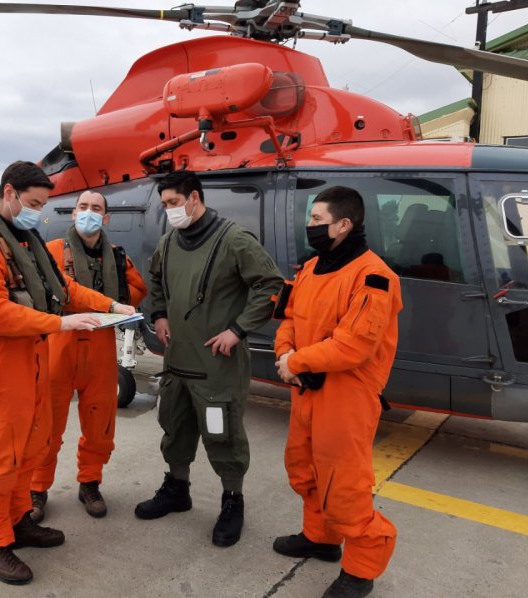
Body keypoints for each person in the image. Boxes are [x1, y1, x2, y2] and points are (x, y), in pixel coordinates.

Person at [0, 161, 135, 585]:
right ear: (10, 193)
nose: (38, 210)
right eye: (33, 202)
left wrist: (109, 305)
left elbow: (64, 290)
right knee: (2, 450)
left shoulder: (24, 238)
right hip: (3, 360)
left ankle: (17, 520)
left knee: (30, 444)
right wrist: (60, 324)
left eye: (43, 204)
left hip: (32, 356)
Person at [135, 169, 283, 547]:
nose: (169, 210)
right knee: (176, 426)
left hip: (218, 365)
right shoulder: (169, 243)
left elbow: (269, 284)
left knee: (223, 434)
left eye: (173, 203)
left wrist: (238, 329)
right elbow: (156, 280)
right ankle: (177, 489)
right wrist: (160, 314)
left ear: (194, 198)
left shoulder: (234, 240)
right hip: (179, 360)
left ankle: (233, 500)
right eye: (165, 204)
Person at [273, 186, 402, 598]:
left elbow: (354, 346)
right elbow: (289, 317)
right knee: (304, 468)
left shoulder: (374, 277)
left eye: (317, 220)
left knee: (344, 485)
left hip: (346, 398)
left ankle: (362, 571)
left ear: (344, 225)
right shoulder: (310, 268)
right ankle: (320, 538)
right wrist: (286, 354)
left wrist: (296, 362)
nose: (309, 227)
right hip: (306, 389)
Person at [30, 190, 147, 520]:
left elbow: (137, 290)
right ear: (74, 212)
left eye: (96, 208)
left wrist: (118, 294)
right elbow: (55, 289)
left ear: (105, 218)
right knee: (46, 426)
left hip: (99, 349)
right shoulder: (52, 252)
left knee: (100, 424)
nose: (89, 212)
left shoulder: (117, 257)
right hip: (59, 347)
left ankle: (90, 482)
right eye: (83, 207)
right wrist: (102, 300)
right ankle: (36, 489)